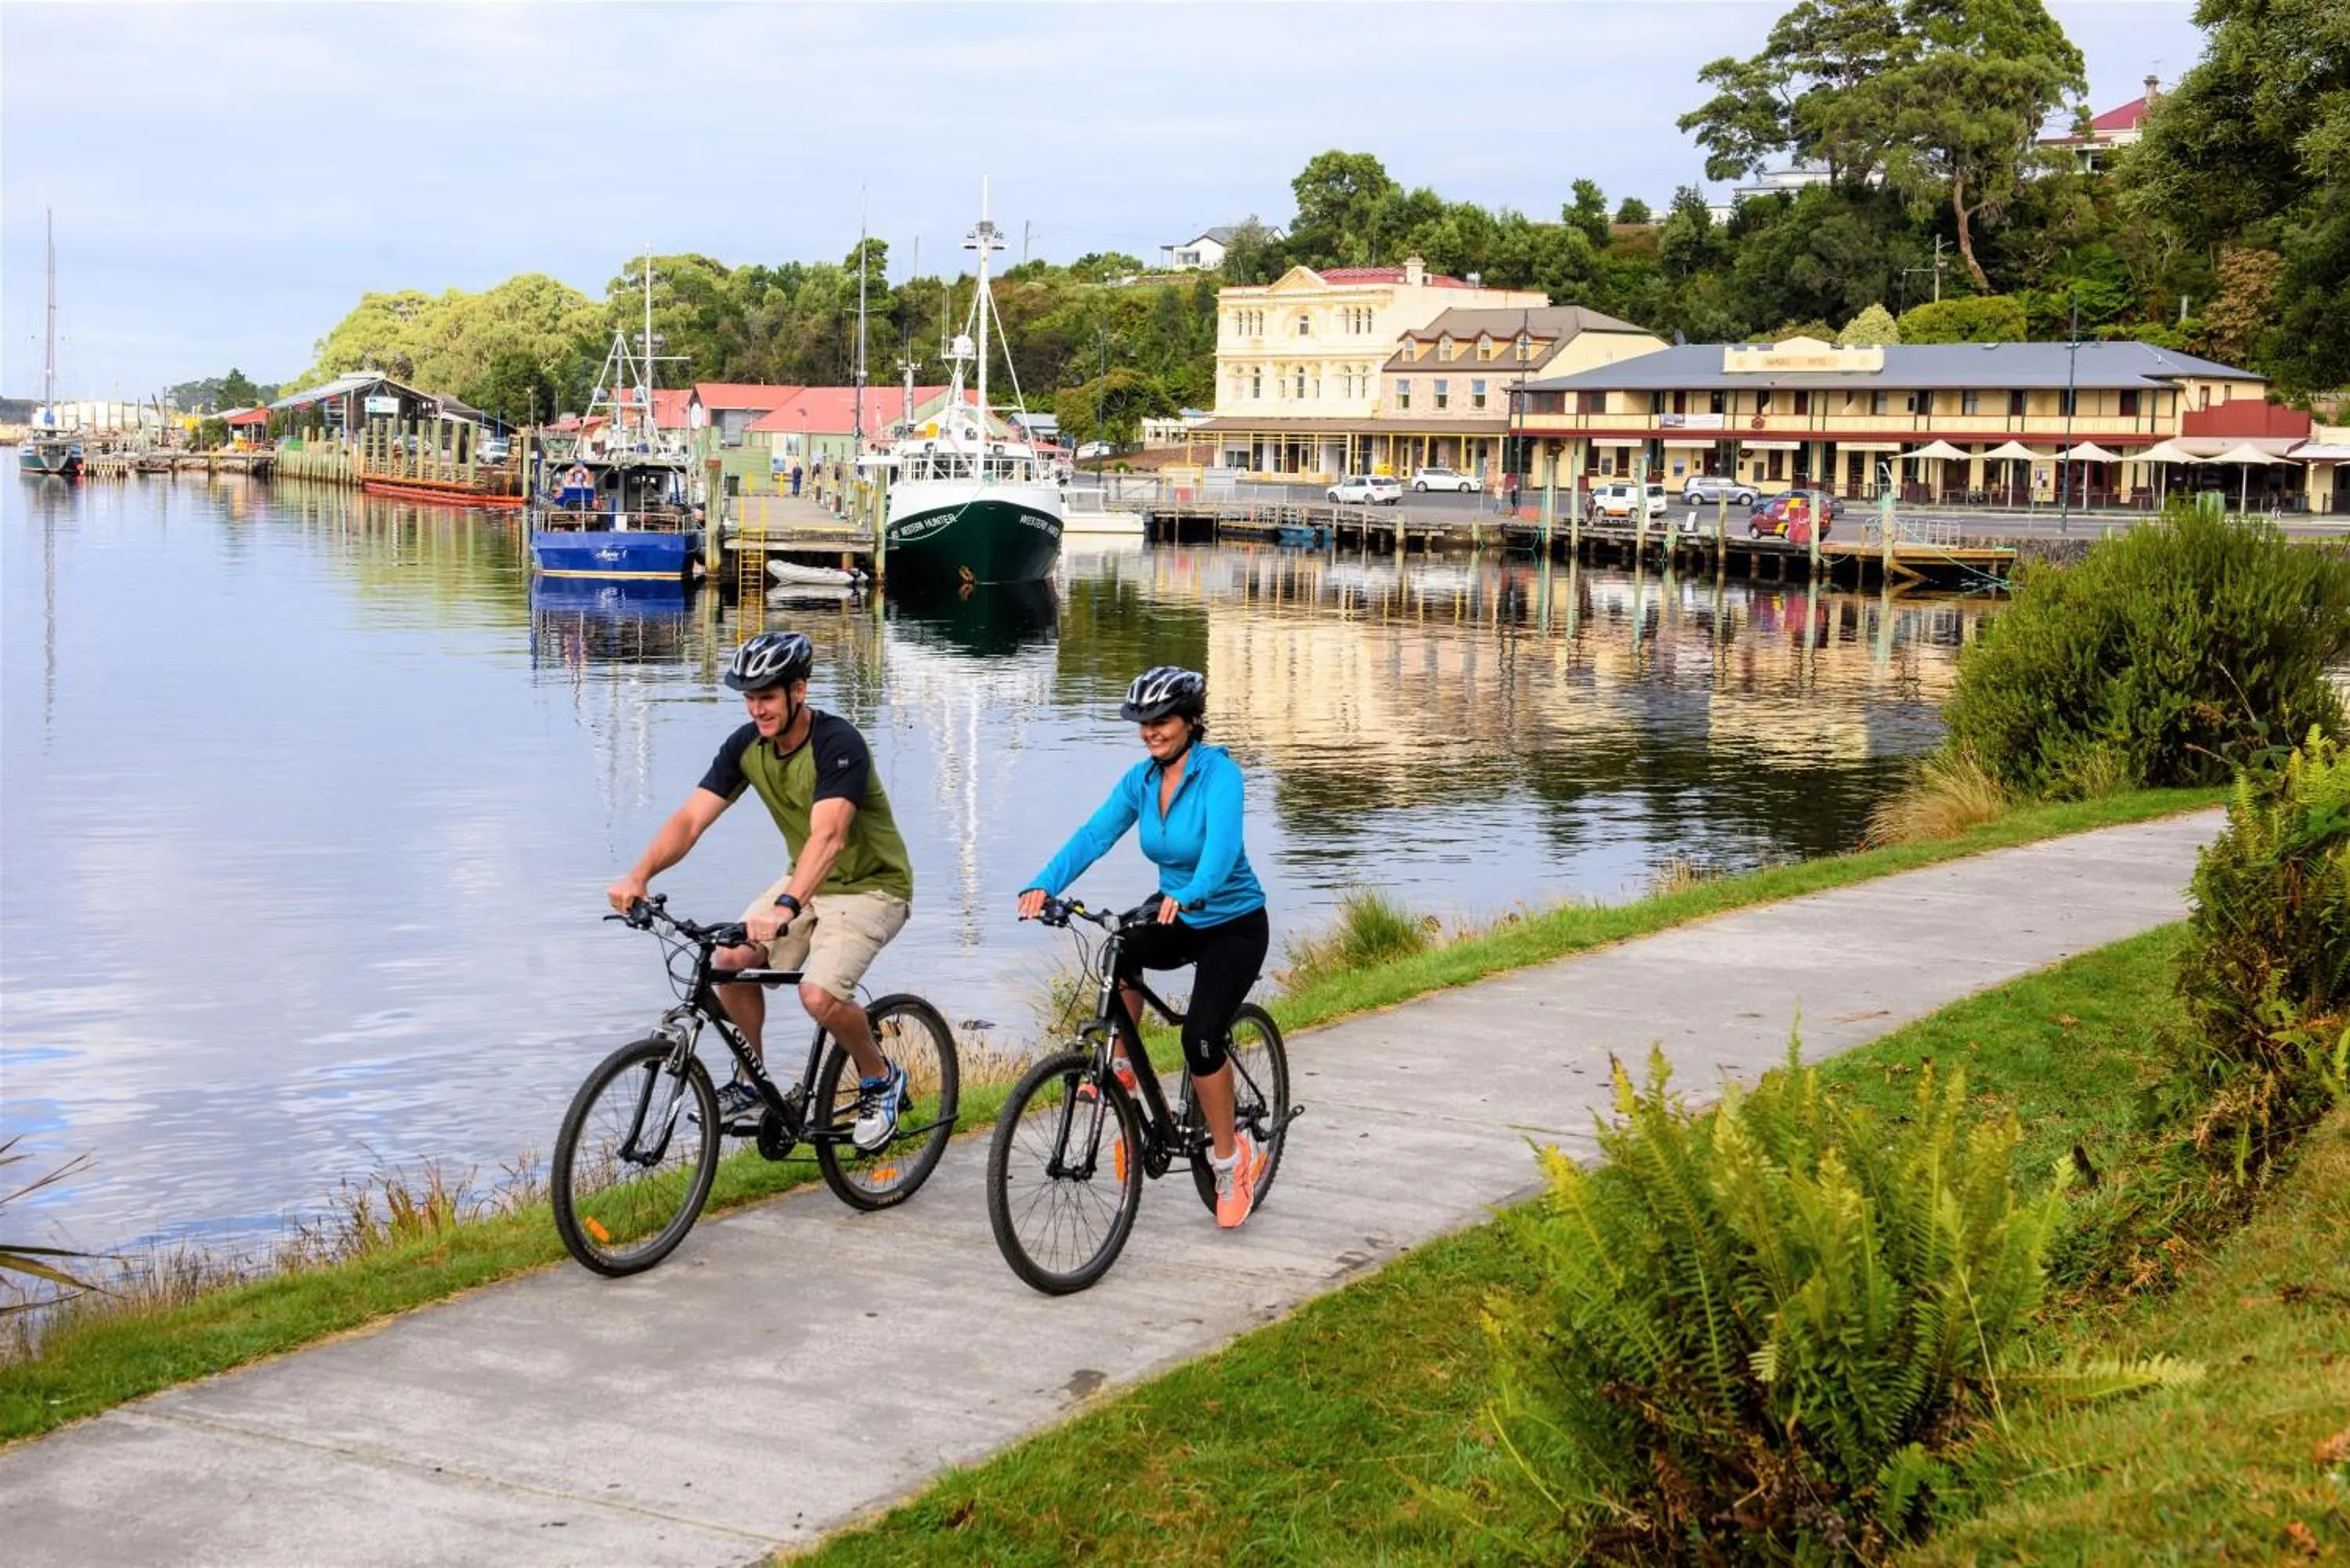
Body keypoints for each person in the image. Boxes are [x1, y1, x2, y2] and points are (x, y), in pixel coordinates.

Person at [607, 630, 917, 1149]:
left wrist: (786, 906)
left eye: (767, 696)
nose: (757, 709)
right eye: (750, 698)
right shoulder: (746, 746)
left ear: (799, 691)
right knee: (729, 959)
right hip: (804, 883)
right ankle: (752, 1087)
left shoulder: (838, 744)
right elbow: (690, 820)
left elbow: (829, 837)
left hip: (872, 889)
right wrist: (640, 876)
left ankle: (879, 1078)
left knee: (819, 995)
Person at [1017, 667, 1273, 1228]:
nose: (1150, 731)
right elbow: (1095, 835)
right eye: (1143, 722)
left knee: (1200, 1037)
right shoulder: (1141, 781)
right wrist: (1044, 885)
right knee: (1122, 949)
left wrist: (1192, 892)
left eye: (1162, 720)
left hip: (1232, 922)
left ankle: (1230, 1162)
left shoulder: (1220, 775)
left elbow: (1222, 851)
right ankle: (1123, 1068)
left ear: (1192, 721)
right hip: (1175, 911)